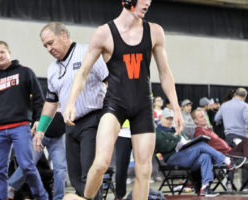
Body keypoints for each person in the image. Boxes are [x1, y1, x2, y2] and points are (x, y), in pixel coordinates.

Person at [63, 0, 184, 199]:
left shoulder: (155, 31)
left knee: (144, 171)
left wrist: (177, 108)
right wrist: (70, 102)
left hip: (143, 107)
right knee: (101, 162)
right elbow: (83, 72)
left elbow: (164, 72)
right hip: (115, 106)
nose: (148, 3)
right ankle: (85, 198)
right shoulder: (104, 33)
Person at [33, 22, 108, 200]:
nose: (48, 48)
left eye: (51, 43)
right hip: (71, 126)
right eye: (45, 46)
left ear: (64, 36)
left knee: (89, 174)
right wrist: (41, 129)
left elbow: (109, 81)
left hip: (93, 120)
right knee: (75, 178)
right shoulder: (52, 69)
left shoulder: (88, 53)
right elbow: (51, 102)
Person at [0, 41, 48, 200]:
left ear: (9, 52)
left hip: (21, 127)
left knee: (27, 166)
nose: (0, 56)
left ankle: (41, 197)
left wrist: (38, 119)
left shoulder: (25, 72)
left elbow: (39, 98)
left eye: (2, 52)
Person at [155, 109, 244, 197]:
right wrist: (177, 140)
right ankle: (228, 161)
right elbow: (164, 145)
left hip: (184, 155)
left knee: (205, 156)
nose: (170, 121)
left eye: (171, 119)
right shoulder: (158, 132)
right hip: (172, 158)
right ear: (161, 118)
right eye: (167, 119)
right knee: (201, 145)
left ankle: (205, 187)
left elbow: (185, 140)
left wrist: (187, 142)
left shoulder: (176, 130)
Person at [8, 106, 67, 200]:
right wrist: (34, 121)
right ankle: (9, 188)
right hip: (39, 133)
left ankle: (58, 198)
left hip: (58, 135)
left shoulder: (67, 94)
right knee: (27, 164)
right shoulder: (42, 92)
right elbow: (35, 104)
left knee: (60, 169)